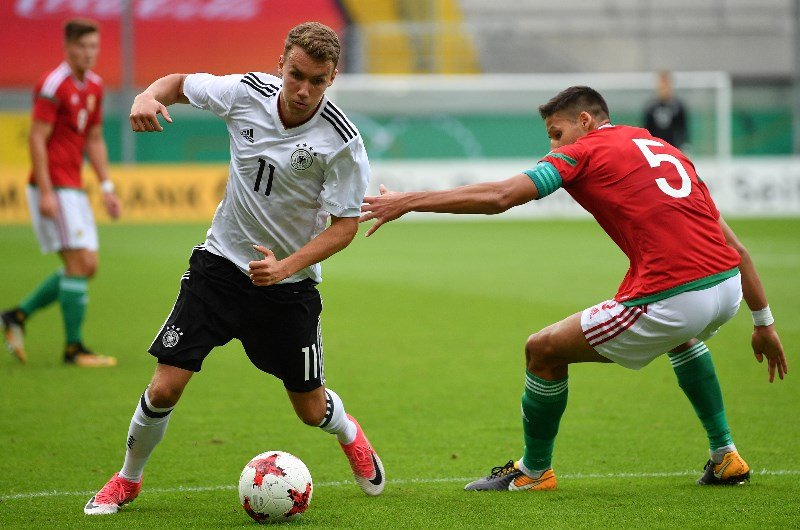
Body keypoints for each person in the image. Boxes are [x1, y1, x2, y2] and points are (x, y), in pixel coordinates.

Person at [360, 86, 788, 491]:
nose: (553, 148)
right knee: (682, 337)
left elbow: (501, 196)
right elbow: (738, 249)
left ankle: (533, 471)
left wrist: (408, 201)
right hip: (727, 289)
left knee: (542, 350)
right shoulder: (663, 149)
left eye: (557, 134)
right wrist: (763, 322)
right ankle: (725, 455)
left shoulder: (585, 151)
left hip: (674, 296)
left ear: (584, 121)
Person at [83, 22, 384, 515]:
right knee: (165, 385)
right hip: (220, 266)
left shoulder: (342, 143)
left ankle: (348, 432)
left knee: (310, 409)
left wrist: (285, 265)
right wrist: (146, 95)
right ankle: (127, 479)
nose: (303, 90)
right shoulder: (245, 93)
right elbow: (178, 83)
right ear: (279, 65)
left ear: (332, 79)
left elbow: (344, 226)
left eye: (317, 80)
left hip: (288, 287)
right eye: (296, 75)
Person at [2, 18, 121, 368]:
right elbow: (37, 137)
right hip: (53, 186)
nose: (89, 53)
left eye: (94, 47)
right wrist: (46, 191)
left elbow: (95, 139)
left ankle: (17, 315)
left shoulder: (95, 86)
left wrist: (107, 187)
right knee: (79, 263)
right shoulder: (53, 84)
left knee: (88, 266)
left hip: (74, 186)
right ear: (68, 47)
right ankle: (73, 349)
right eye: (82, 46)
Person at [643, 70, 689, 150]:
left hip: (674, 149)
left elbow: (683, 130)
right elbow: (646, 130)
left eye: (666, 84)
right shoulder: (651, 107)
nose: (664, 88)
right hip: (655, 150)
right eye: (661, 84)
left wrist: (685, 147)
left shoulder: (678, 106)